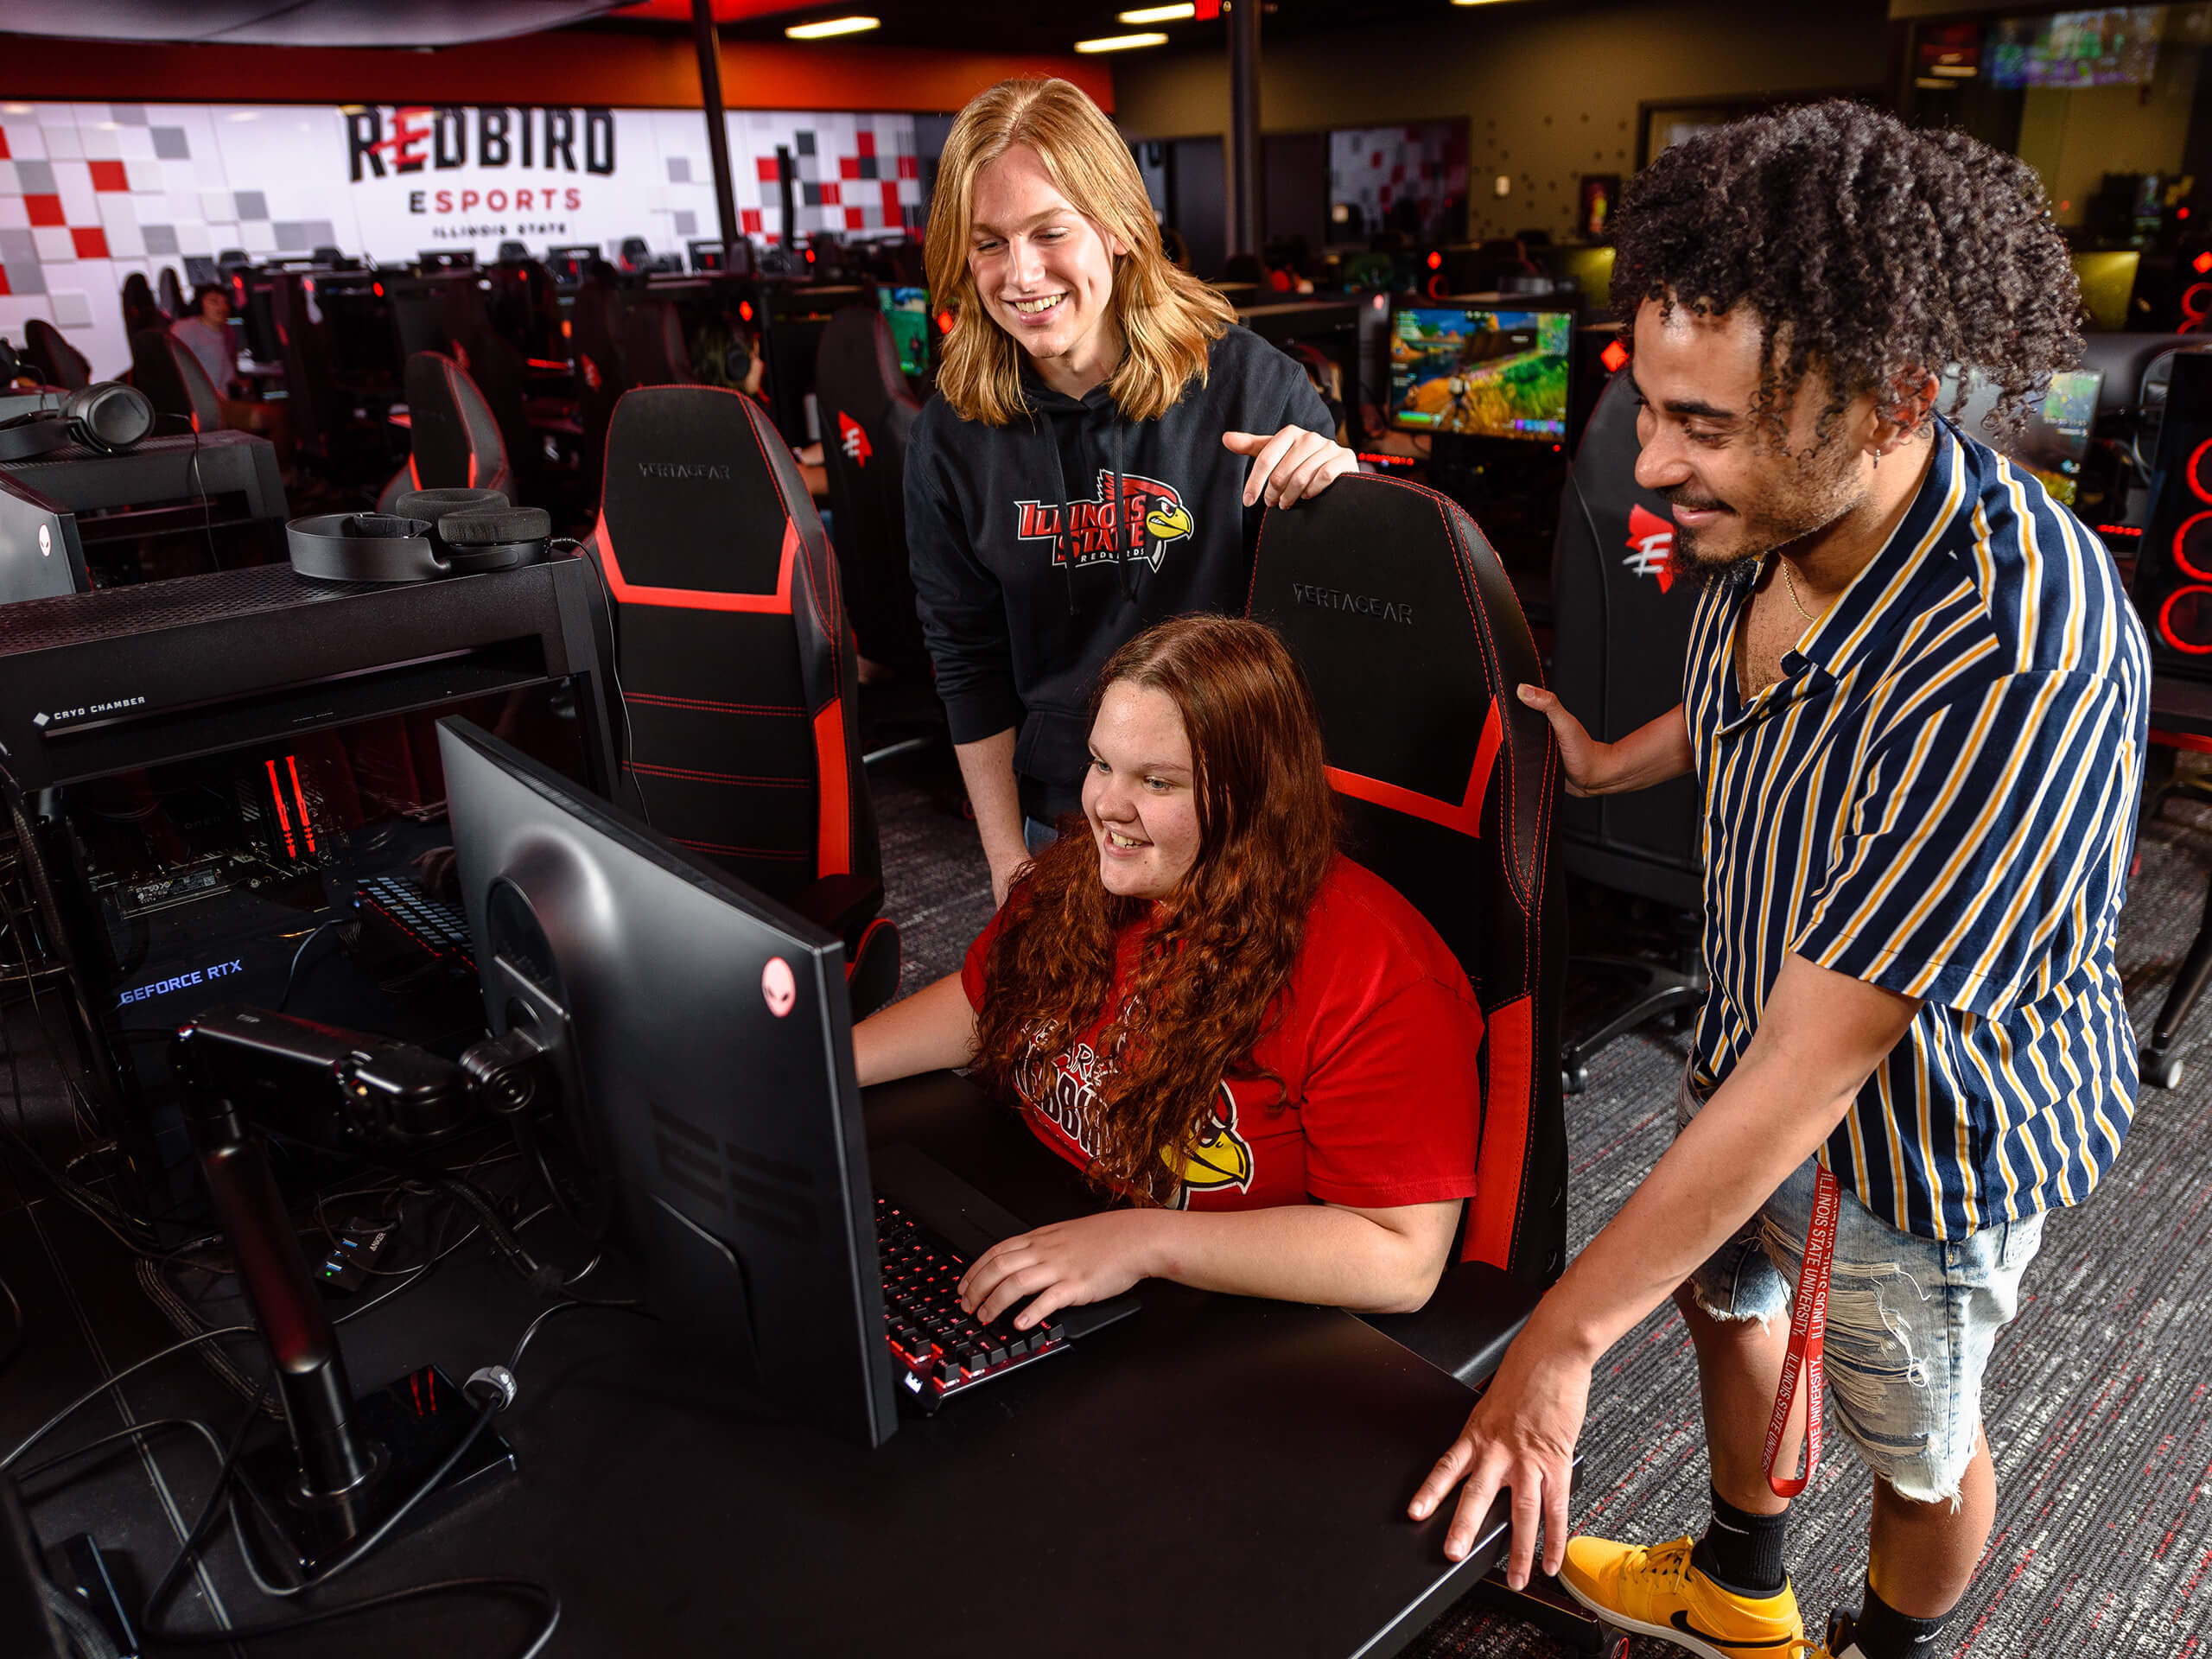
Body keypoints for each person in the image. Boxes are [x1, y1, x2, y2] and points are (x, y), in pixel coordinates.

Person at [1407, 102, 2147, 1659]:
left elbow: (1827, 1061)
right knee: (1721, 1295)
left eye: (1707, 429)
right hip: (1755, 1026)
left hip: (1925, 1131)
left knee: (1914, 1439)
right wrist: (1617, 763)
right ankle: (1744, 1587)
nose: (1656, 467)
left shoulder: (2019, 645)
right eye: (1651, 409)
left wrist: (1558, 1338)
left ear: (1889, 400)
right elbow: (1768, 690)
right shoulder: (1777, 506)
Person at [854, 614, 1484, 1321]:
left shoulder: (1381, 978)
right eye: (1101, 764)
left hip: (1221, 1306)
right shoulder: (1088, 879)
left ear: (1253, 798)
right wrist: (825, 1063)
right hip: (1041, 1217)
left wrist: (1144, 1242)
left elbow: (1401, 1261)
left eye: (1157, 781)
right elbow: (986, 1002)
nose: (1105, 807)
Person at [905, 78, 1358, 908]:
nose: (1021, 274)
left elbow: (1342, 620)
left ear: (1116, 227)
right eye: (990, 244)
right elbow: (966, 662)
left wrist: (1342, 491)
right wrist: (1009, 870)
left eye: (1049, 233)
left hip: (1237, 811)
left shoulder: (1255, 391)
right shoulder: (952, 434)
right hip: (1069, 818)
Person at [169, 283, 237, 393]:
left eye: (225, 302)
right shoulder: (184, 329)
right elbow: (172, 368)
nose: (222, 307)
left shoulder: (228, 331)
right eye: (214, 301)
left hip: (223, 402)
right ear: (200, 304)